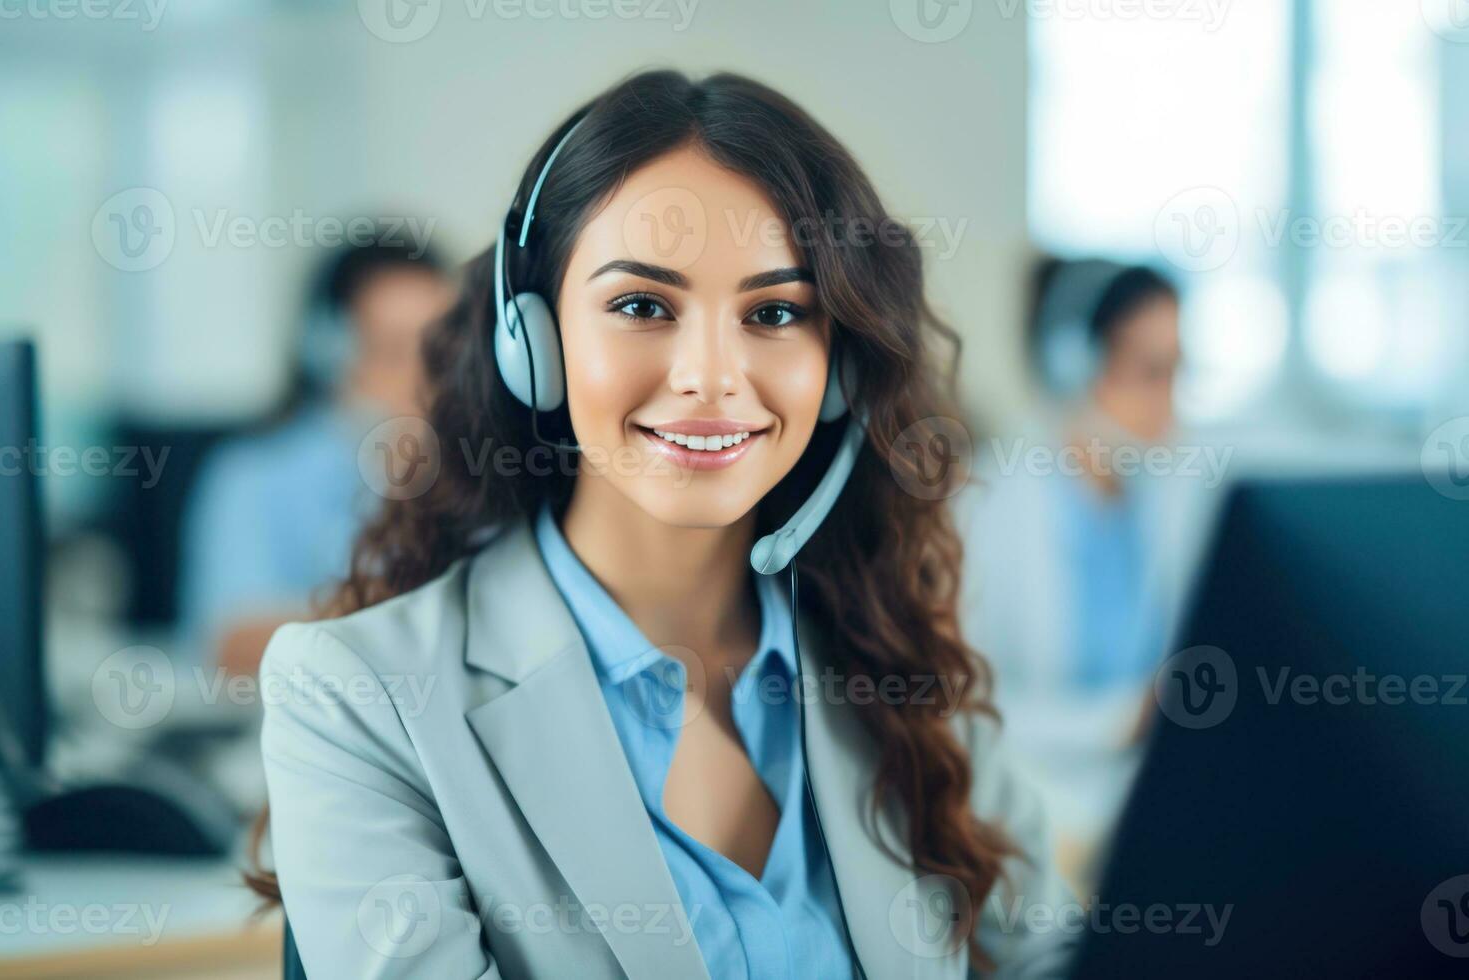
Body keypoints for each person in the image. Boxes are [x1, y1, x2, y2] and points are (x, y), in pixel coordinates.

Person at [248, 70, 1074, 979]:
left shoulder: (900, 667)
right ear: (534, 341)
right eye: (643, 306)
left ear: (837, 368)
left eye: (775, 313)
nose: (710, 376)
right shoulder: (358, 699)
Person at [956, 257, 1217, 881]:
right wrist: (1118, 720)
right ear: (1075, 367)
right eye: (1150, 372)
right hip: (1023, 803)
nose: (1169, 401)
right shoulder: (986, 505)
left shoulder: (1173, 495)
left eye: (1178, 370)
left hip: (1145, 792)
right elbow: (953, 709)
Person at [177, 230, 454, 676]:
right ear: (331, 356)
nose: (424, 382)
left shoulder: (477, 474)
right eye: (394, 352)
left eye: (440, 354)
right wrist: (404, 605)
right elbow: (234, 645)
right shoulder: (254, 473)